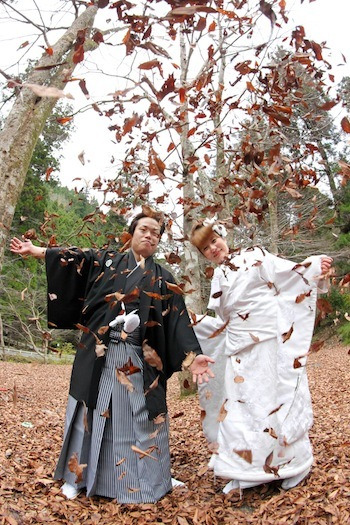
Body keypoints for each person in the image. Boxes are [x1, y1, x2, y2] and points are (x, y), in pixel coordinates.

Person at [10, 212, 214, 503]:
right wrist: (37, 251)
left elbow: (178, 321)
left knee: (143, 416)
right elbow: (73, 259)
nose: (149, 235)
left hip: (140, 359)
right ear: (131, 233)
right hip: (100, 353)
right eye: (144, 229)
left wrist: (192, 357)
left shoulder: (163, 279)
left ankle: (155, 475)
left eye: (155, 233)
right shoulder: (105, 261)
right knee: (89, 413)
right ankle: (76, 478)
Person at [189, 219, 333, 493]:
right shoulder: (218, 276)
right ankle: (246, 468)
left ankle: (295, 464)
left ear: (222, 236)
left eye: (214, 241)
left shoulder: (254, 255)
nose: (213, 249)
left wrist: (315, 267)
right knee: (239, 409)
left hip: (267, 343)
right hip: (238, 349)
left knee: (276, 403)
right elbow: (223, 319)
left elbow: (289, 275)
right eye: (206, 248)